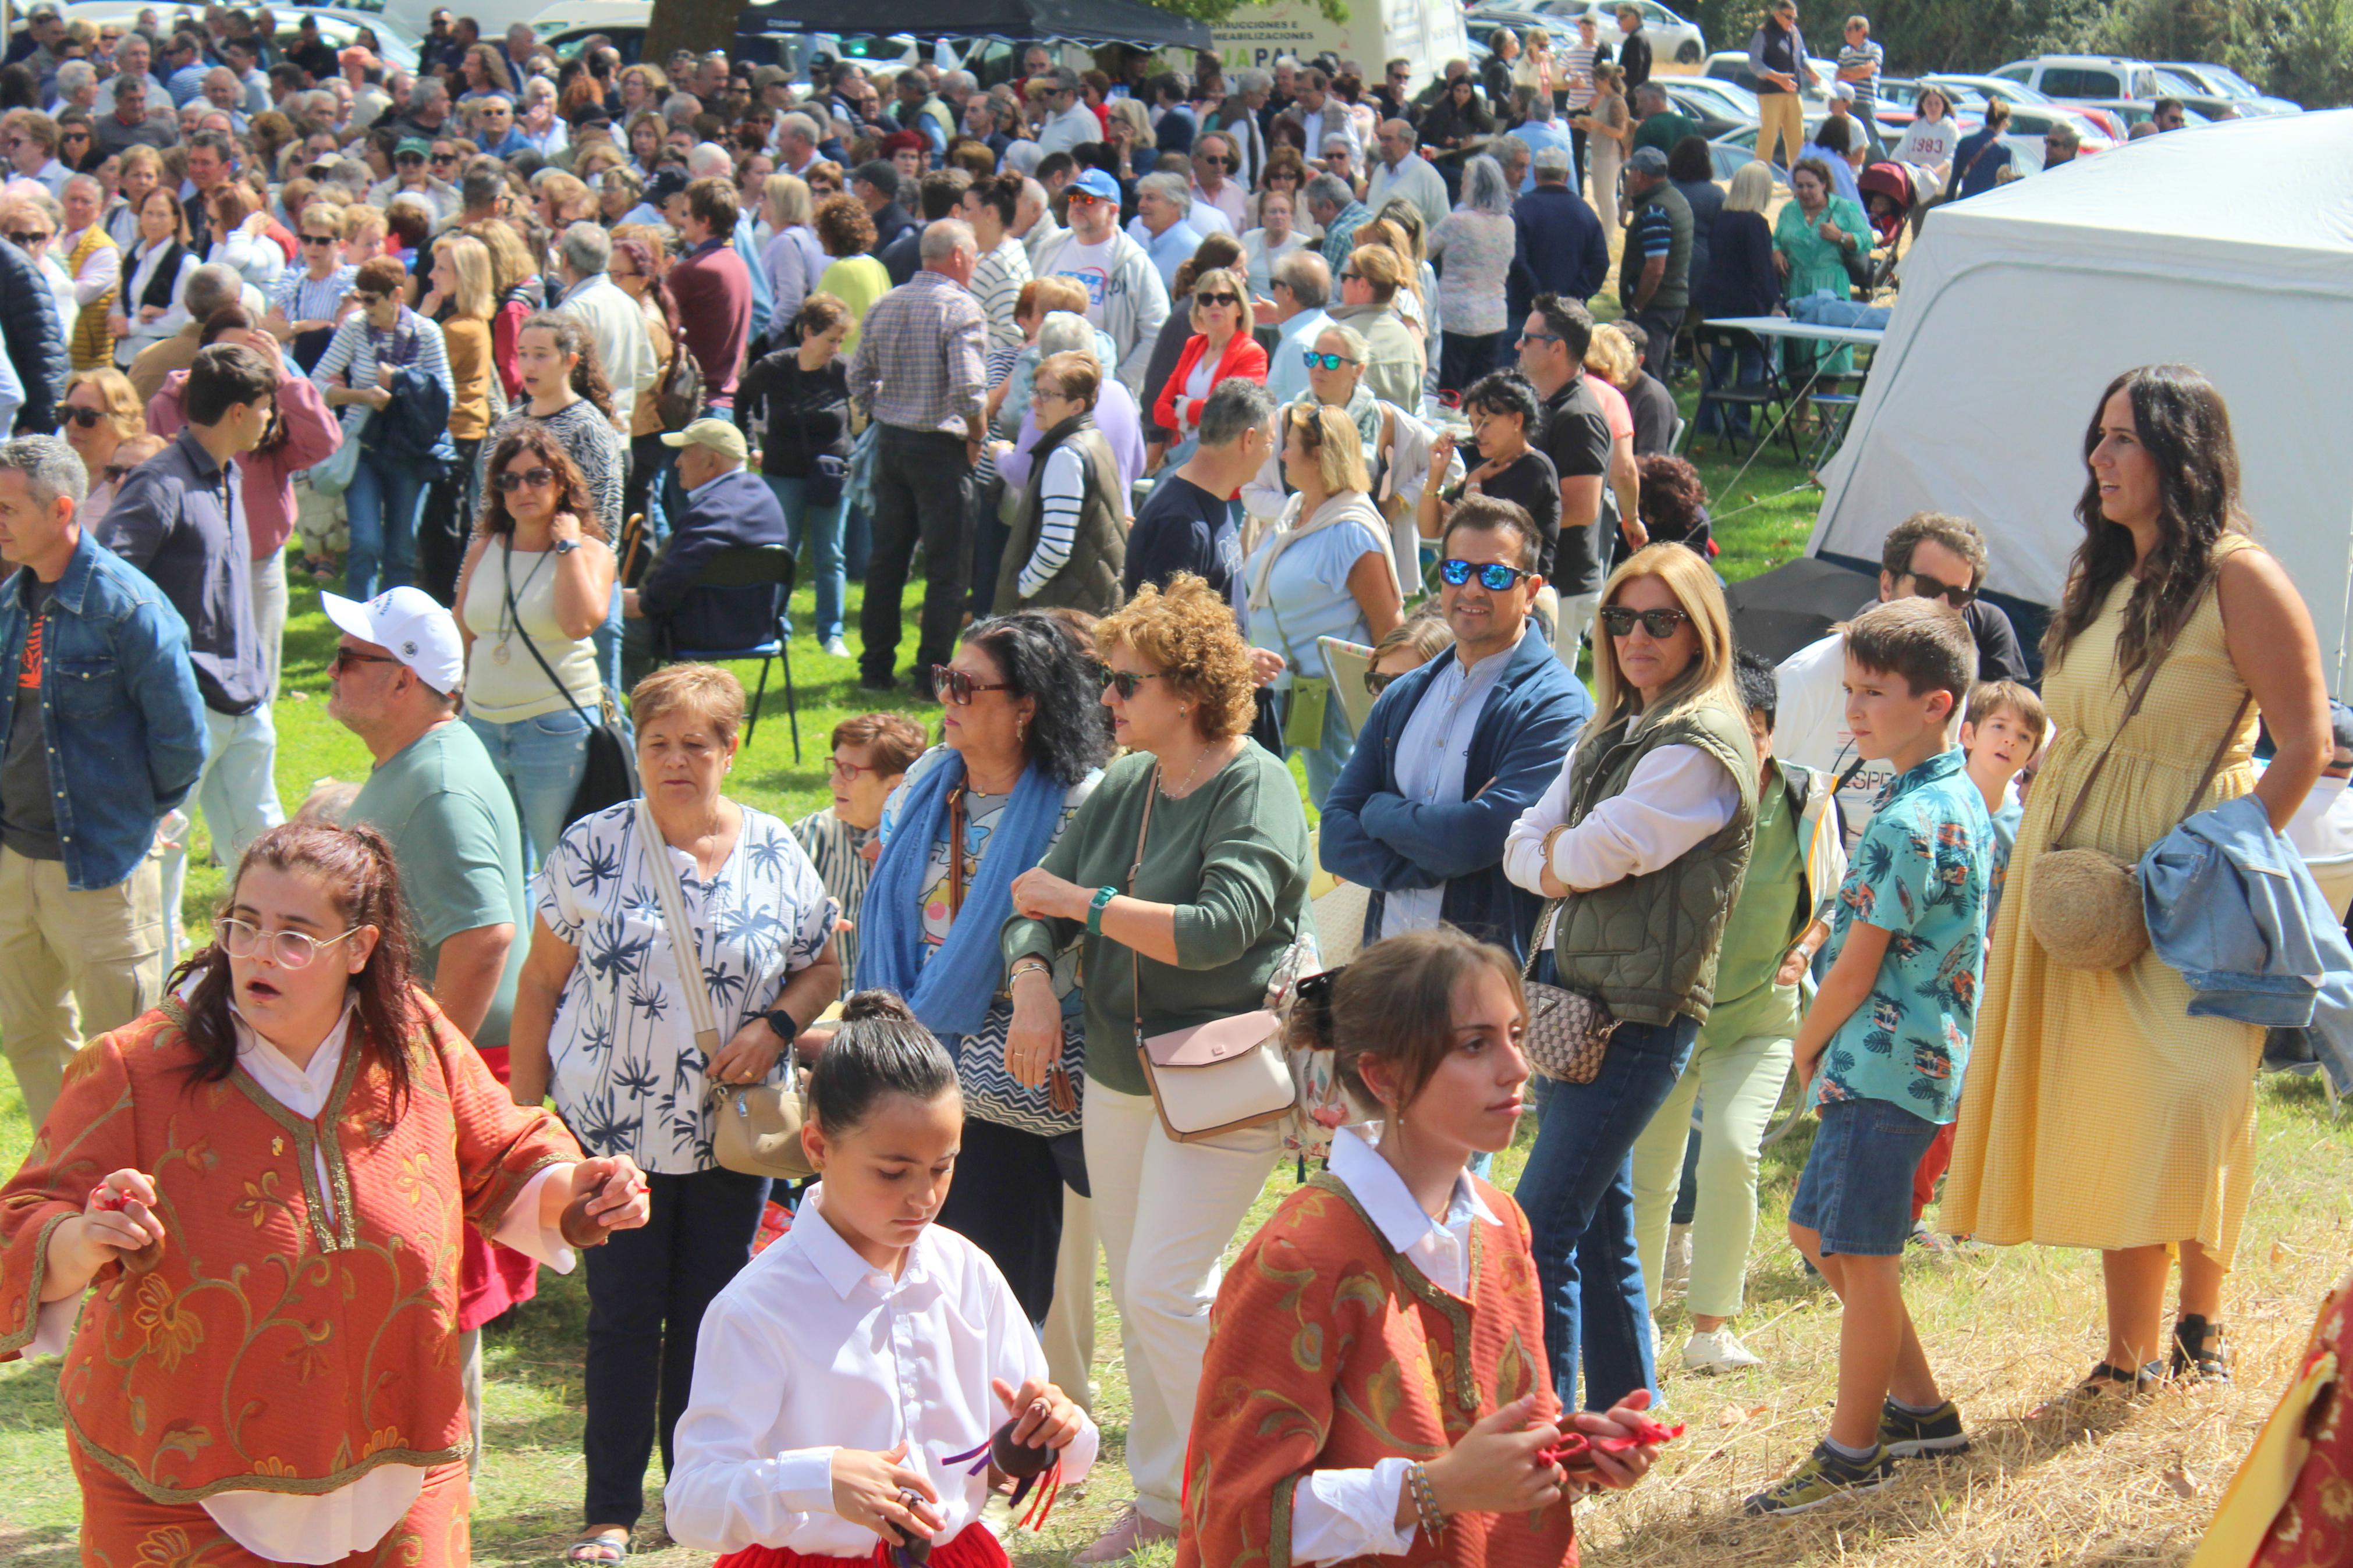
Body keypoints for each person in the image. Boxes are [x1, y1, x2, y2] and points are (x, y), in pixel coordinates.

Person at [1944, 365, 2331, 1395]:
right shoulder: (2101, 573)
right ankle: (2131, 1358)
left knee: (2189, 1097)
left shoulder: (2238, 577)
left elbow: (2305, 739)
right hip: (2081, 884)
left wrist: (2221, 853)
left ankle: (2200, 1324)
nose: (2097, 458)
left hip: (2190, 886)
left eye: (2121, 439)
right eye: (2096, 437)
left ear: (2179, 454)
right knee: (2121, 1108)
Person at [1175, 928, 1671, 1568]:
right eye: (1474, 1044)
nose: (1517, 1068)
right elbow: (1234, 1521)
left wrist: (1570, 1452)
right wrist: (1432, 1490)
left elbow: (1492, 1436)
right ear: (1383, 1074)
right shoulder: (1298, 1260)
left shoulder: (1501, 1223)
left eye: (1515, 1035)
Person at [1002, 574, 1314, 1564]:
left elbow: (1224, 930)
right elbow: (1033, 900)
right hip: (1121, 1076)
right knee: (1143, 1295)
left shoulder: (1252, 780)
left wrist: (1084, 911)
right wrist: (1035, 979)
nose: (1106, 700)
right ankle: (1169, 1503)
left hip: (1218, 1072)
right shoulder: (1133, 781)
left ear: (1185, 693)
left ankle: (1252, 1490)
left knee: (1164, 1291)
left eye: (1124, 684)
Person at [507, 663, 843, 1568]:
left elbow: (822, 966)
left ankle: (694, 1494)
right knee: (621, 1315)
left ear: (731, 751)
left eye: (696, 742)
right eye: (657, 742)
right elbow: (539, 984)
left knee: (711, 1314)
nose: (675, 759)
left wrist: (775, 1027)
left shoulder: (776, 849)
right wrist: (522, 1116)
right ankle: (608, 1511)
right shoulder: (591, 846)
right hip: (608, 1128)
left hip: (730, 1135)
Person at [661, 990, 1099, 1563]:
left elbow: (1045, 1451)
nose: (923, 1197)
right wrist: (818, 1478)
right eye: (892, 1172)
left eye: (942, 1168)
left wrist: (1057, 1430)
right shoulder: (757, 1306)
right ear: (818, 1145)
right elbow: (691, 1503)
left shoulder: (967, 1271)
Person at [1503, 543, 1759, 1413]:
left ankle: (1555, 1428)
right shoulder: (1617, 728)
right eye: (1619, 618)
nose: (1634, 636)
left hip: (1635, 1018)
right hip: (1585, 1008)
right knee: (1602, 1223)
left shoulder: (1698, 745)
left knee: (1539, 1225)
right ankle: (1624, 1415)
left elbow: (1590, 849)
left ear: (1701, 631)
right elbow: (1528, 841)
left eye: (1660, 619)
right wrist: (1554, 858)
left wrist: (1552, 857)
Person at [1745, 598, 1988, 1513]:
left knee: (1860, 1247)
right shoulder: (1952, 796)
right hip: (1913, 1060)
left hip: (1882, 1062)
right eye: (1848, 689)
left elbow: (1852, 972)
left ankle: (1851, 1449)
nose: (1852, 710)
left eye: (1873, 693)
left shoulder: (1902, 820)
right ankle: (1921, 1410)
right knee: (1821, 1231)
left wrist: (1804, 1043)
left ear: (1935, 703)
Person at [322, 583, 541, 1459]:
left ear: (405, 680)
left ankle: (438, 1486)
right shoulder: (421, 761)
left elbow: (487, 934)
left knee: (429, 1280)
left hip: (452, 1062)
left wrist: (419, 1067)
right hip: (439, 1055)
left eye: (351, 658)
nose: (333, 671)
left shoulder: (441, 781)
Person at [855, 613, 1109, 1324]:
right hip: (907, 1053)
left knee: (995, 1291)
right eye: (945, 679)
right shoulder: (921, 788)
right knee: (903, 1276)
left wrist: (1025, 983)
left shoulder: (1080, 804)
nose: (947, 698)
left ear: (1026, 704)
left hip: (1011, 1067)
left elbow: (1084, 932)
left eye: (967, 686)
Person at [1630, 650, 1844, 1376]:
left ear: (1769, 731)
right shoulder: (1667, 794)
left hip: (1757, 1018)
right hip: (1665, 1017)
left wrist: (1807, 945)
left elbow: (1834, 892)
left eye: (1747, 731)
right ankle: (1632, 1319)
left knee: (1729, 1150)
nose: (1732, 749)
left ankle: (1710, 1328)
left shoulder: (1810, 798)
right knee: (1648, 1171)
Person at [0, 433, 202, 1123]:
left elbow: (182, 741)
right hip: (14, 863)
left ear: (62, 511)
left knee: (124, 1055)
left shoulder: (129, 609)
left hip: (102, 870)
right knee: (29, 1036)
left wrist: (134, 819)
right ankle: (65, 1176)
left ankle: (130, 1198)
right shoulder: (11, 601)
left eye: (7, 508)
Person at [1323, 493, 1593, 959]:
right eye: (1455, 571)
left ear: (1530, 591)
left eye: (1493, 575)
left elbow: (1475, 840)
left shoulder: (1556, 705)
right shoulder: (1403, 694)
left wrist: (1379, 812)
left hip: (1479, 989)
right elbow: (1333, 837)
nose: (1470, 589)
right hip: (1383, 971)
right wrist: (1434, 854)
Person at [96, 341, 287, 946]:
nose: (269, 420)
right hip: (187, 711)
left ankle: (270, 982)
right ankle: (162, 1017)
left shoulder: (230, 472)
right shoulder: (160, 483)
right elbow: (104, 583)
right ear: (236, 411)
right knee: (165, 872)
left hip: (246, 706)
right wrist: (156, 681)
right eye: (264, 407)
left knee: (272, 863)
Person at [1774, 512, 2033, 847]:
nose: (1941, 606)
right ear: (1886, 585)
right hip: (1806, 889)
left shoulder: (1949, 684)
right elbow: (1750, 783)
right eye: (1927, 587)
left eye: (1957, 597)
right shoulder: (1812, 674)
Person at [450, 423, 616, 871]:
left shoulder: (591, 552)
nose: (524, 488)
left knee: (559, 866)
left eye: (538, 476)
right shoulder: (483, 549)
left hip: (554, 730)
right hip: (481, 723)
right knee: (492, 864)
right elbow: (461, 632)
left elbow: (578, 622)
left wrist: (566, 545)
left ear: (561, 482)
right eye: (510, 480)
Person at [846, 218, 986, 696]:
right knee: (948, 567)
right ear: (959, 257)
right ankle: (931, 674)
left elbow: (857, 375)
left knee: (887, 560)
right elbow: (970, 389)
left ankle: (875, 666)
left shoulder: (886, 303)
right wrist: (977, 436)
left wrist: (877, 410)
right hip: (940, 447)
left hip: (892, 441)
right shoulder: (961, 308)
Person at [1243, 401, 1406, 805]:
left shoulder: (1352, 532)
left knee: (1335, 802)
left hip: (1326, 698)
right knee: (1250, 793)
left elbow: (1388, 625)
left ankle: (1353, 870)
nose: (1281, 454)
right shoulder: (1296, 509)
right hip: (1273, 690)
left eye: (1290, 445)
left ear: (1318, 457)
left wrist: (1386, 707)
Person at [310, 254, 456, 600]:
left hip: (409, 452)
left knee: (401, 553)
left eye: (371, 299)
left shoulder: (426, 332)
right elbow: (315, 383)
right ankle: (357, 635)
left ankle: (395, 637)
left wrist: (400, 383)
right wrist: (359, 395)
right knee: (365, 544)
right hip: (364, 446)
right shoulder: (355, 327)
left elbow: (446, 399)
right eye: (360, 297)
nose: (364, 306)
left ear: (396, 296)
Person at [620, 417, 791, 685]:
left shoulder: (715, 509)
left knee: (602, 624)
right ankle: (656, 709)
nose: (677, 462)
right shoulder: (762, 494)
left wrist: (642, 603)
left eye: (686, 453)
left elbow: (676, 576)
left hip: (702, 631)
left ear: (712, 462)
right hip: (759, 628)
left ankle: (646, 713)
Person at [733, 291, 853, 658]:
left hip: (831, 475)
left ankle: (832, 633)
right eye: (830, 339)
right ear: (807, 332)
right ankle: (773, 626)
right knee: (781, 551)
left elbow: (869, 407)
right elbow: (741, 402)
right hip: (783, 472)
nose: (835, 348)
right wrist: (750, 444)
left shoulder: (843, 371)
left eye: (840, 340)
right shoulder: (774, 366)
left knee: (830, 554)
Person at [789, 712, 925, 995]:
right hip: (823, 1010)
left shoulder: (931, 848)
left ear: (896, 786)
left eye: (849, 770)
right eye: (835, 767)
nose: (834, 782)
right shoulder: (809, 838)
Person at [1520, 294, 1622, 663]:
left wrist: (1509, 521)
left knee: (1548, 697)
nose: (1518, 344)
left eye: (1528, 338)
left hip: (1564, 584)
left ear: (1556, 349)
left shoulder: (1579, 417)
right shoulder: (1546, 402)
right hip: (1542, 574)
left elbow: (1581, 508)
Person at [1001, 351, 1127, 616]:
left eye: (1047, 395)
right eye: (1036, 391)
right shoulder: (1093, 439)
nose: (1035, 402)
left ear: (1077, 406)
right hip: (1085, 607)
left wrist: (1019, 592)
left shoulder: (1066, 456)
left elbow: (1056, 548)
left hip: (1064, 614)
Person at [1126, 377, 1272, 602]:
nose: (1274, 454)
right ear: (1249, 439)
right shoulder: (1180, 524)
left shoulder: (1210, 500)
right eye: (1270, 442)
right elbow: (1164, 631)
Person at [1416, 370, 1563, 588]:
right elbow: (1431, 529)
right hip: (1487, 588)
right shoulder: (1484, 469)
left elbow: (1479, 531)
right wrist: (1437, 474)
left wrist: (1474, 483)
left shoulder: (1535, 468)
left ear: (1516, 420)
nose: (1477, 433)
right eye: (1473, 423)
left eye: (1485, 423)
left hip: (1523, 596)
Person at [1694, 162, 1781, 439]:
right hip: (1747, 307)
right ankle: (1740, 423)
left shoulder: (1722, 220)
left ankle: (1706, 421)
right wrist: (1774, 303)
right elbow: (1762, 271)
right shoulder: (1755, 224)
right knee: (1751, 364)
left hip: (1718, 303)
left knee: (1718, 364)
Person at [551, 221, 659, 438]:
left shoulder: (573, 310)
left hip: (582, 439)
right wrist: (620, 389)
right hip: (619, 436)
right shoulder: (628, 303)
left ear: (565, 261)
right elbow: (646, 375)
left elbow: (557, 378)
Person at [1152, 263, 1267, 457]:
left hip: (1223, 461)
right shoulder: (1193, 346)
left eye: (1224, 299)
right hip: (1185, 456)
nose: (1215, 305)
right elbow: (1160, 410)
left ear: (1239, 308)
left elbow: (1230, 414)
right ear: (1199, 309)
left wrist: (1183, 407)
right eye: (1206, 299)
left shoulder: (1251, 353)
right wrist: (1197, 417)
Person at [1428, 155, 1517, 393]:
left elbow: (1422, 252)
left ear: (1475, 185)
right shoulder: (1508, 224)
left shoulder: (1456, 222)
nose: (1461, 186)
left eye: (1465, 181)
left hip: (1456, 317)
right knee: (1481, 391)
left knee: (1450, 390)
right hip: (1495, 317)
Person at [1773, 158, 1868, 375]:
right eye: (1800, 186)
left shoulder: (1843, 208)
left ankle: (1828, 408)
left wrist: (1841, 236)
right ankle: (1802, 410)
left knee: (1829, 356)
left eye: (1811, 186)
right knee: (1799, 361)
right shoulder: (1789, 211)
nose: (1805, 191)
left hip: (1830, 286)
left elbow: (1867, 240)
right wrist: (1776, 252)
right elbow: (1777, 238)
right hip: (1796, 285)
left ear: (1824, 184)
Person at [1509, 145, 1609, 328]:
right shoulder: (1585, 212)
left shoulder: (1521, 210)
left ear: (1536, 174)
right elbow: (1600, 263)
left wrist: (1539, 298)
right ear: (1567, 176)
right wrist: (1573, 298)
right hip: (1568, 317)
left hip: (1525, 314)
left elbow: (1516, 260)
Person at [1616, 148, 1691, 382]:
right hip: (1674, 302)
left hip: (1656, 306)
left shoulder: (1655, 209)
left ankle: (1654, 419)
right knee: (1660, 374)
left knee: (1648, 379)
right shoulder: (1675, 198)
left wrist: (1636, 308)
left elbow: (1655, 268)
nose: (1628, 178)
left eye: (1630, 172)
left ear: (1638, 174)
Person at [110, 187, 197, 370]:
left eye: (162, 215)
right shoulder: (135, 255)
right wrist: (117, 318)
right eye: (148, 213)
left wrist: (133, 326)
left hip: (158, 362)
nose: (153, 221)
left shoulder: (186, 263)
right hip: (124, 357)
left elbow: (183, 319)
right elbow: (121, 298)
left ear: (175, 221)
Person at [812, 193, 888, 354]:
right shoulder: (878, 266)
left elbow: (815, 322)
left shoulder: (840, 270)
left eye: (821, 230)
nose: (818, 237)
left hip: (843, 363)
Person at [1748, 0, 1818, 172]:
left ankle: (1798, 178)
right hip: (1770, 93)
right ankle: (1760, 177)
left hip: (1794, 93)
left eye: (1794, 17)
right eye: (1788, 17)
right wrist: (1778, 78)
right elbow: (1754, 63)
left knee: (1796, 137)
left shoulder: (1794, 32)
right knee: (1769, 137)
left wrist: (1810, 70)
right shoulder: (1763, 32)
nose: (1792, 21)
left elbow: (1802, 55)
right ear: (1777, 14)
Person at [1259, 248, 1334, 407]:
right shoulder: (1326, 328)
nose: (1273, 293)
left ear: (1288, 293)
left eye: (1274, 284)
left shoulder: (1300, 345)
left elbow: (1305, 413)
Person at [1569, 63, 1630, 233]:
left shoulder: (1617, 102)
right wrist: (1580, 125)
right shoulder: (1603, 100)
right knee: (1598, 196)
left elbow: (1620, 132)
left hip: (1609, 155)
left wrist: (1598, 125)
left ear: (1606, 81)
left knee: (1608, 196)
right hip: (1598, 152)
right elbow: (1596, 128)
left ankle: (1609, 234)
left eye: (1595, 82)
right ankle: (1605, 230)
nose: (1593, 86)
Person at [1367, 117, 1448, 234]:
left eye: (1389, 139)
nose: (1383, 145)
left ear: (1407, 142)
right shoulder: (1380, 171)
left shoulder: (1427, 176)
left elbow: (1442, 225)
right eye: (1381, 139)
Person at [1241, 189, 1306, 304]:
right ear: (1263, 217)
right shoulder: (1248, 239)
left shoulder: (1304, 245)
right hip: (1254, 312)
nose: (1278, 216)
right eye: (1273, 212)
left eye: (1283, 211)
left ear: (1291, 216)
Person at [1948, 97, 2014, 201]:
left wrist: (1948, 204)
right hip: (1988, 205)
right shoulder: (2004, 150)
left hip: (1965, 202)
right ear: (2004, 123)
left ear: (1986, 118)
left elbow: (1954, 181)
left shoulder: (1964, 143)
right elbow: (2004, 185)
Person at [1837, 15, 1886, 157]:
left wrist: (1849, 73)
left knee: (1872, 140)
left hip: (1864, 102)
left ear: (1862, 31)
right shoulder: (1844, 52)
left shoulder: (1874, 49)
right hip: (1846, 104)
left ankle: (1885, 168)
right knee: (1850, 141)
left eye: (1849, 29)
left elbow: (1867, 71)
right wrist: (1857, 72)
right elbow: (1838, 77)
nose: (1846, 32)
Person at [1890, 87, 1960, 180]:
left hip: (1942, 187)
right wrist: (1890, 167)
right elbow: (1900, 152)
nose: (1933, 107)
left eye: (1937, 103)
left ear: (1943, 106)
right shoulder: (1915, 127)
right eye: (1929, 103)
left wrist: (1934, 173)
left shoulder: (1950, 128)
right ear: (1923, 105)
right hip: (1917, 185)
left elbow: (1952, 157)